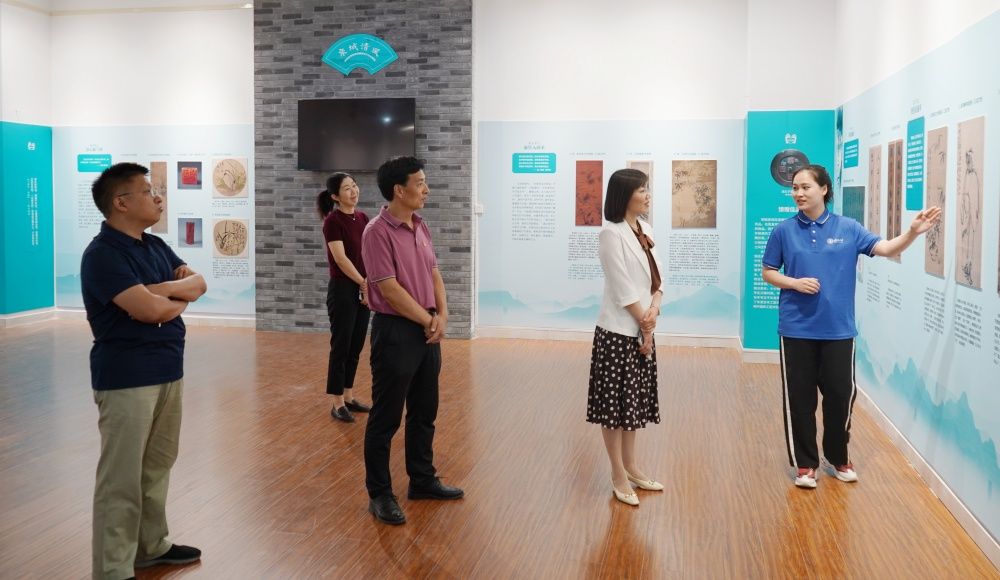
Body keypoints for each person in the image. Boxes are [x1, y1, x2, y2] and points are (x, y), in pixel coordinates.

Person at [762, 164, 941, 489]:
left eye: (805, 187)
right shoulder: (783, 231)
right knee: (800, 400)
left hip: (839, 331)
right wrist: (794, 283)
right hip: (796, 329)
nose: (798, 193)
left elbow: (886, 249)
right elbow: (768, 272)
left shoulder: (848, 228)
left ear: (824, 189)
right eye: (795, 188)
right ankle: (806, 465)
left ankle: (838, 456)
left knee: (840, 396)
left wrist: (913, 232)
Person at [81, 162, 207, 579]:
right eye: (148, 191)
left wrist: (163, 292)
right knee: (121, 477)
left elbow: (199, 284)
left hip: (169, 369)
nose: (158, 198)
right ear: (121, 202)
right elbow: (149, 310)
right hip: (126, 377)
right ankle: (113, 569)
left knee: (157, 466)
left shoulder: (154, 246)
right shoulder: (102, 255)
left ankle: (151, 546)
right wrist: (170, 298)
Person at [360, 156, 464, 525]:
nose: (426, 189)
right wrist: (428, 320)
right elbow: (388, 289)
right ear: (398, 190)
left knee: (424, 411)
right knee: (386, 417)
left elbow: (434, 273)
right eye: (420, 183)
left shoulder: (421, 225)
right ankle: (380, 494)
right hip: (396, 331)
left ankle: (422, 480)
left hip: (427, 329)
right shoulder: (376, 232)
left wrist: (442, 315)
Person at [587, 168, 665, 506]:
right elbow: (622, 288)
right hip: (619, 331)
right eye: (641, 190)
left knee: (632, 404)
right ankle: (617, 473)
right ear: (624, 195)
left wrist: (655, 306)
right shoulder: (611, 233)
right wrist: (646, 324)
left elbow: (658, 279)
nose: (647, 195)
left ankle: (632, 467)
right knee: (613, 407)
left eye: (647, 189)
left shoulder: (645, 229)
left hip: (644, 326)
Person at [318, 172, 372, 422]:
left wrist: (367, 284)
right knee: (341, 346)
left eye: (354, 186)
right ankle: (337, 402)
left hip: (363, 287)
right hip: (342, 290)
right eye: (347, 188)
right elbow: (340, 259)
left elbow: (368, 254)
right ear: (335, 196)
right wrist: (363, 283)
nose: (354, 191)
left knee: (356, 345)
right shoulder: (332, 221)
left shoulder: (362, 218)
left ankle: (349, 396)